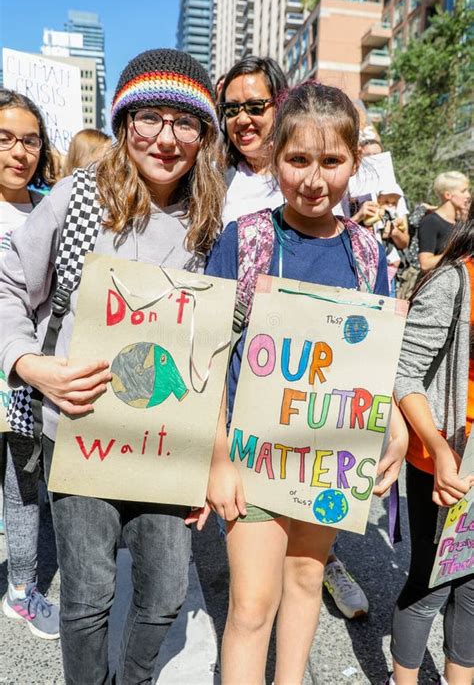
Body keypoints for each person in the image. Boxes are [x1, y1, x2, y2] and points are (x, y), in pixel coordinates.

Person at [0, 49, 225, 683]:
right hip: (79, 430)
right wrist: (28, 363)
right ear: (125, 123)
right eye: (149, 116)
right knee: (88, 593)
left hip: (167, 444)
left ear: (204, 134)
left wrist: (212, 455)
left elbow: (223, 341)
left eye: (185, 122)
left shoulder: (214, 220)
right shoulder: (76, 198)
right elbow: (8, 285)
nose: (165, 136)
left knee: (161, 596)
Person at [203, 81, 408, 683]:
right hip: (252, 453)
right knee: (250, 605)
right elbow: (211, 356)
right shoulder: (245, 240)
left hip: (329, 456)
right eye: (297, 160)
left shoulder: (368, 254)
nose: (314, 179)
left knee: (305, 580)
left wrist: (392, 422)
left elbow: (378, 356)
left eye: (331, 161)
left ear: (355, 164)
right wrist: (218, 456)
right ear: (274, 158)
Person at [389, 215, 474, 685]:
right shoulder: (453, 280)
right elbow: (404, 374)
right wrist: (439, 448)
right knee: (431, 584)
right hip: (446, 464)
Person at [0, 89, 59, 639]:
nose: (20, 152)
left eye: (31, 140)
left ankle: (21, 588)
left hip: (24, 380)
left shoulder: (51, 207)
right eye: (5, 139)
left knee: (23, 485)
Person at [218, 56, 288, 227]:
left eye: (255, 107)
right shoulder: (214, 179)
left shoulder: (308, 175)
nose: (241, 119)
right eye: (231, 109)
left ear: (279, 106)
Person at [418, 171, 471, 272]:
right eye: (463, 191)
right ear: (448, 195)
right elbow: (425, 264)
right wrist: (457, 253)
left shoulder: (458, 222)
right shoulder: (431, 221)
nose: (468, 195)